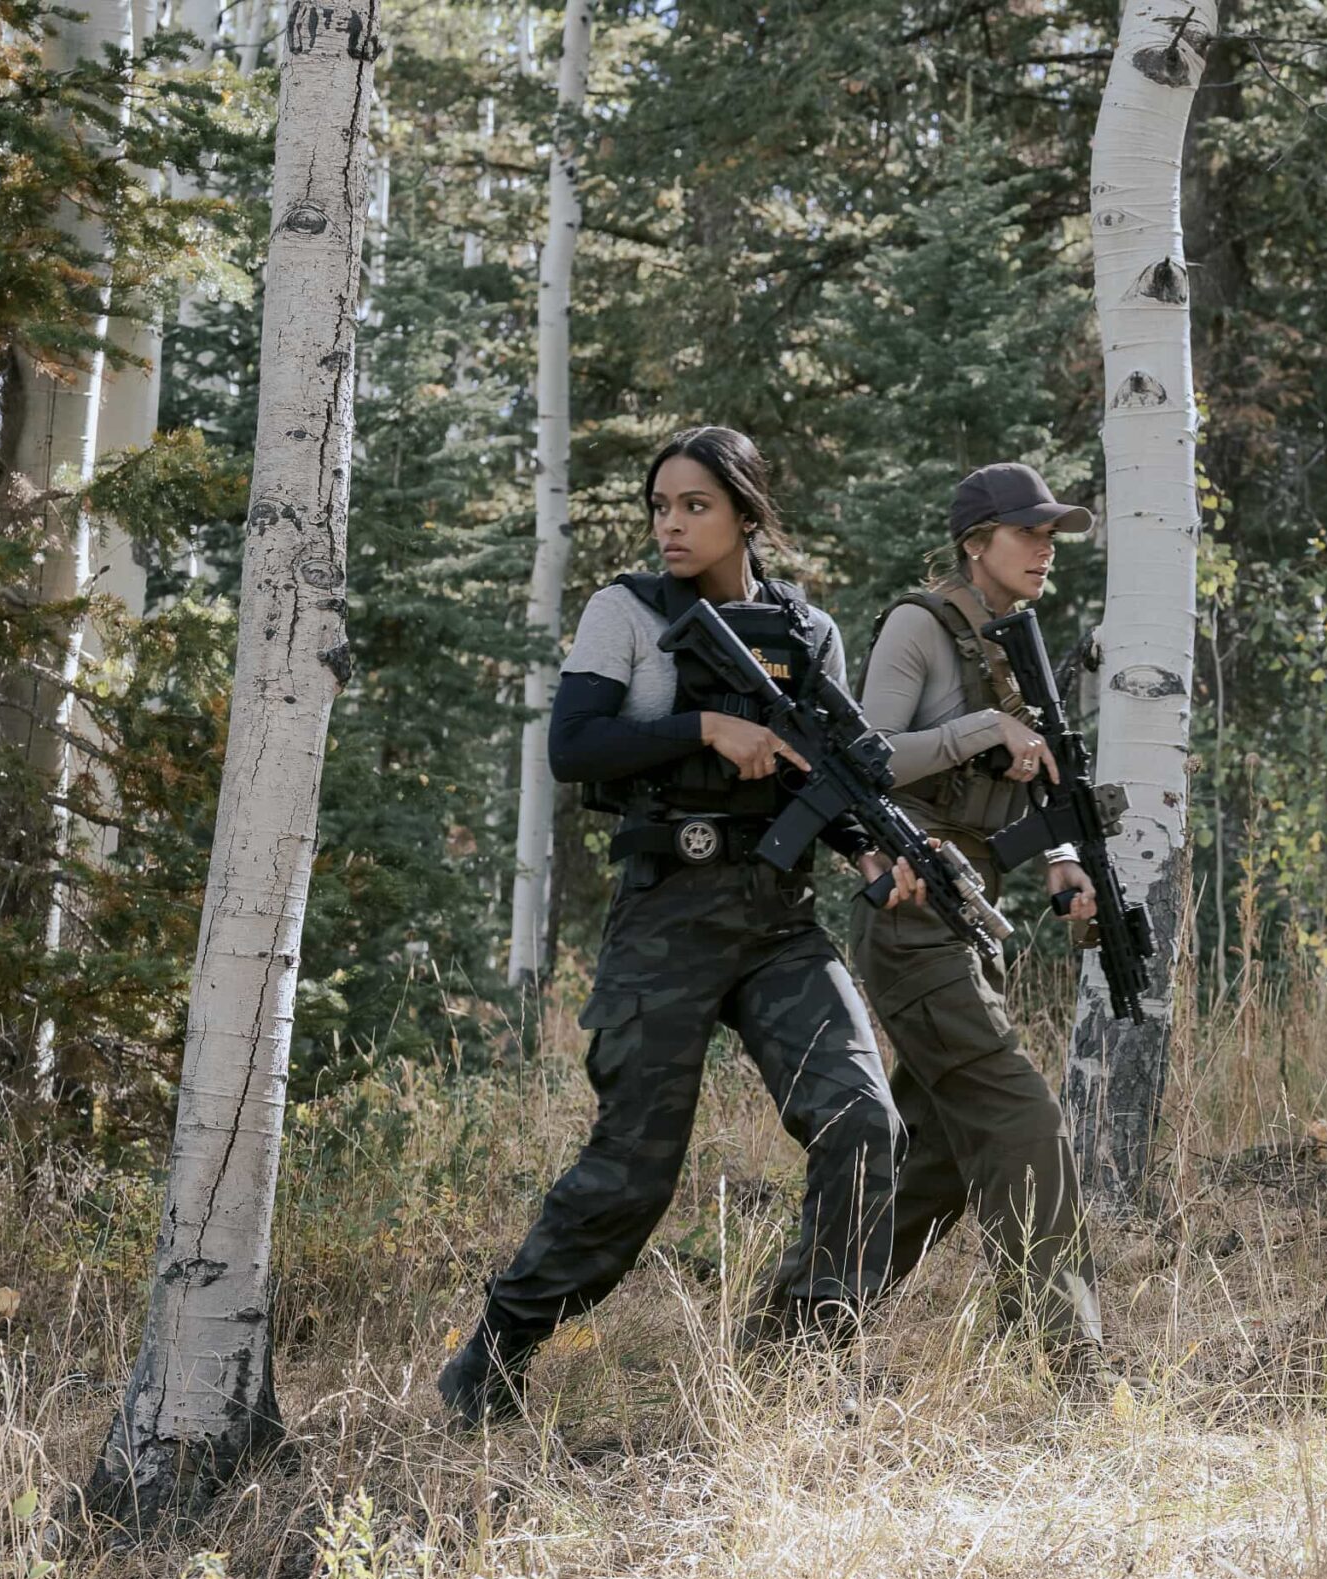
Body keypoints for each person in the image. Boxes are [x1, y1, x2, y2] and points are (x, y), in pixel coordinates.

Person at [439, 425, 918, 1426]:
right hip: (665, 913)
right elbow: (576, 747)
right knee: (633, 1172)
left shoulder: (808, 631)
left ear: (746, 513)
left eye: (694, 505)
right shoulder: (625, 612)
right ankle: (495, 1351)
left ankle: (800, 1347)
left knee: (863, 1122)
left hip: (777, 921)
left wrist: (871, 855)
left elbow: (821, 788)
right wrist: (703, 727)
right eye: (660, 506)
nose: (671, 524)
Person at [855, 461, 1106, 1361]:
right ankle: (1068, 1362)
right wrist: (980, 732)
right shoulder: (919, 628)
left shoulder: (1012, 646)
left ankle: (791, 1337)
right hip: (910, 910)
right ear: (975, 543)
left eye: (1052, 535)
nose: (1045, 548)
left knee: (928, 1165)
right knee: (1019, 1117)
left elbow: (1036, 777)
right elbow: (865, 756)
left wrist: (1066, 863)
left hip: (970, 916)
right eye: (1027, 533)